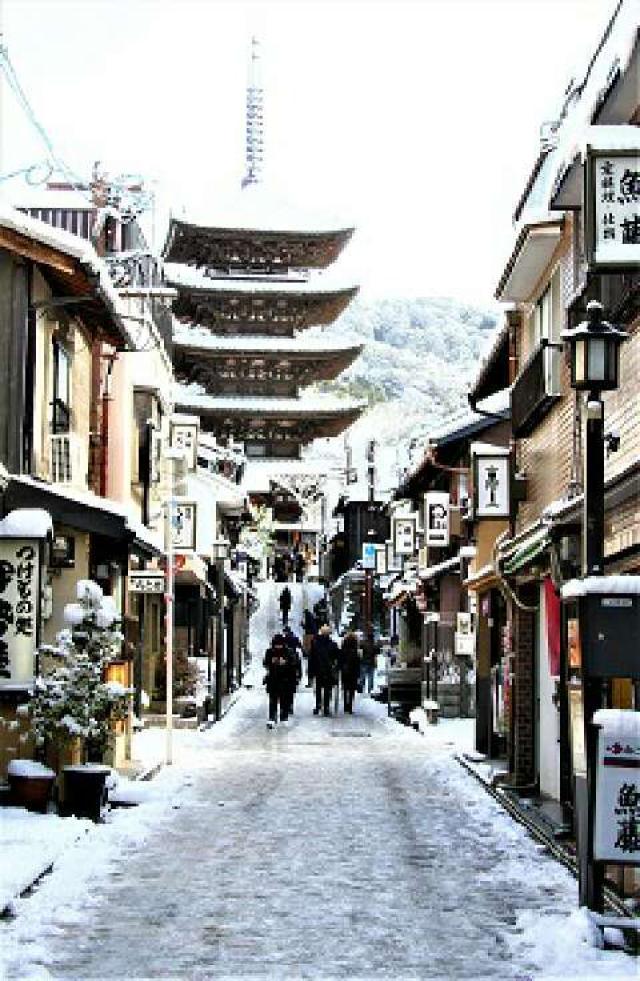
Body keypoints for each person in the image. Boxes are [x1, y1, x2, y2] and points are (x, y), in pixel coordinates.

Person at [263, 634, 294, 728]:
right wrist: (272, 662)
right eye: (276, 645)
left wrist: (285, 663)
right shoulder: (269, 652)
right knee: (273, 700)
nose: (278, 647)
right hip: (273, 679)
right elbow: (265, 663)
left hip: (285, 680)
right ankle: (272, 717)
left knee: (284, 700)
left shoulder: (288, 652)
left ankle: (284, 717)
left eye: (280, 645)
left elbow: (293, 664)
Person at [309, 624, 339, 717]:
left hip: (318, 669)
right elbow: (337, 657)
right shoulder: (333, 644)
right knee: (327, 689)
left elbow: (311, 658)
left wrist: (310, 671)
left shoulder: (315, 644)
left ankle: (318, 705)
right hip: (328, 670)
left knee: (318, 688)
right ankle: (326, 707)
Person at [282, 625, 303, 715]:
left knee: (286, 690)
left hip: (287, 663)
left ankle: (286, 706)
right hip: (293, 665)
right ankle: (290, 705)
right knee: (291, 690)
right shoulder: (295, 638)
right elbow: (300, 646)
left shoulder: (284, 640)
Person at [339, 631, 361, 714]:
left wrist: (340, 668)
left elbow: (340, 661)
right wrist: (358, 674)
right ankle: (350, 706)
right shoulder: (355, 651)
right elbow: (358, 663)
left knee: (345, 689)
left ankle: (345, 705)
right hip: (353, 672)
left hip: (345, 672)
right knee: (352, 690)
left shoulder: (343, 650)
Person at [360, 630, 380, 695]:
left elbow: (360, 651)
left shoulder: (364, 643)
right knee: (370, 677)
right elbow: (377, 653)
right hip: (371, 662)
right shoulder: (374, 644)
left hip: (364, 662)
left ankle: (361, 689)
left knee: (362, 677)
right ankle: (369, 690)